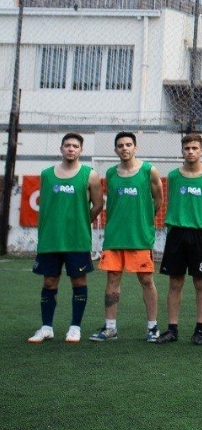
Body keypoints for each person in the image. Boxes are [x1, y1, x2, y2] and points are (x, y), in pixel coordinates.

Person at [28, 133, 104, 344]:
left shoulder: (90, 175)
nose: (71, 149)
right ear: (61, 149)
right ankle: (46, 328)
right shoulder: (46, 174)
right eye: (68, 145)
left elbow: (98, 205)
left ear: (81, 150)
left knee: (78, 281)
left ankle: (75, 327)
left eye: (75, 146)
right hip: (50, 239)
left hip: (76, 240)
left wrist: (82, 222)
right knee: (49, 282)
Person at [89, 132, 163, 342]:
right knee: (112, 279)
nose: (124, 148)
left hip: (139, 236)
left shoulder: (149, 170)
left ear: (135, 148)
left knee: (146, 280)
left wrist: (143, 222)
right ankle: (110, 328)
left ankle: (152, 327)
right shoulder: (111, 173)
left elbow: (158, 201)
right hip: (114, 236)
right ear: (115, 150)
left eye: (128, 144)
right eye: (120, 145)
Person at [156, 133, 202, 345]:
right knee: (175, 282)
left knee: (201, 282)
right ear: (182, 151)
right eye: (187, 148)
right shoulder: (173, 176)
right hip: (176, 234)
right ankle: (172, 329)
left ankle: (199, 330)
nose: (191, 152)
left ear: (201, 151)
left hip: (200, 235)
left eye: (195, 148)